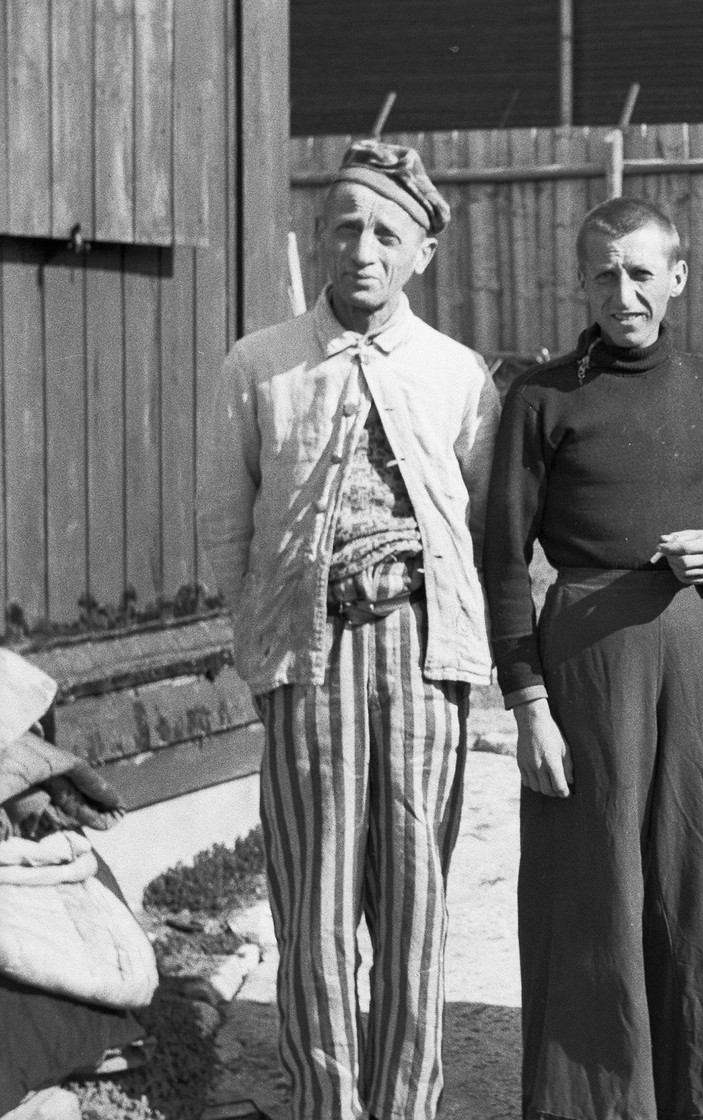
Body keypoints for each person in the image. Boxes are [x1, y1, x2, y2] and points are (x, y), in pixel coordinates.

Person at [199, 140, 498, 1120]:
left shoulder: (457, 377)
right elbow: (225, 524)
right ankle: (326, 1104)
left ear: (423, 251)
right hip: (307, 657)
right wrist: (262, 645)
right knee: (315, 910)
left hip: (425, 659)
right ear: (320, 239)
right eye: (344, 226)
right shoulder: (263, 366)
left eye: (386, 232)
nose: (362, 248)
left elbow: (485, 520)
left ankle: (405, 1105)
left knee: (414, 906)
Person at [484, 197, 703, 1120]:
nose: (624, 291)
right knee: (593, 873)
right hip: (586, 655)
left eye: (642, 272)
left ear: (676, 279)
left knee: (694, 865)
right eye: (605, 272)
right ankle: (597, 1100)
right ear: (582, 280)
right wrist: (526, 699)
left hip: (694, 645)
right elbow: (499, 558)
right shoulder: (542, 393)